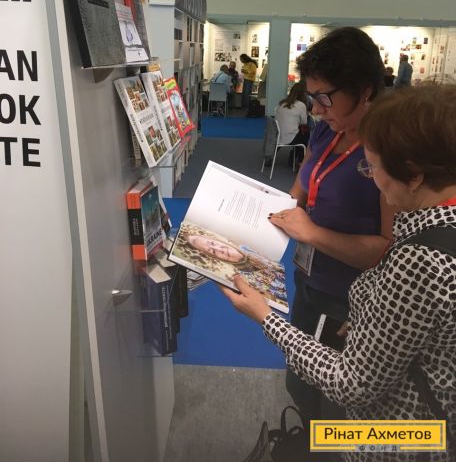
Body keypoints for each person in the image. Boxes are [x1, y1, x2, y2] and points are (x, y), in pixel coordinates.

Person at [221, 84, 456, 461]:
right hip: (420, 421)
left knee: (326, 434)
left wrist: (265, 317)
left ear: (413, 175)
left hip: (400, 438)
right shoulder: (435, 224)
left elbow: (351, 383)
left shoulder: (419, 261)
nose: (371, 177)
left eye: (373, 167)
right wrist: (372, 317)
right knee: (317, 429)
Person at [257, 27, 396, 424]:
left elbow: (388, 247)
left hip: (352, 299)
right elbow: (300, 190)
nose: (316, 110)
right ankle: (307, 438)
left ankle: (325, 445)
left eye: (324, 98)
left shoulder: (388, 149)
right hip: (309, 278)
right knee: (301, 378)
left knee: (338, 399)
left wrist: (313, 233)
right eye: (311, 97)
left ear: (364, 91)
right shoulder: (325, 130)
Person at [176, 223, 287, 307]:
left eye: (212, 243)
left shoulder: (246, 247)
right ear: (214, 258)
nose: (219, 249)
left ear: (215, 239)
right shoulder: (242, 279)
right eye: (212, 251)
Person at [274, 81, 310, 164]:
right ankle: (299, 161)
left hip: (278, 135)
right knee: (305, 135)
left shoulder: (281, 103)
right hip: (290, 137)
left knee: (300, 134)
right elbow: (304, 122)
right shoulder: (301, 105)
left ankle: (292, 158)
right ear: (303, 94)